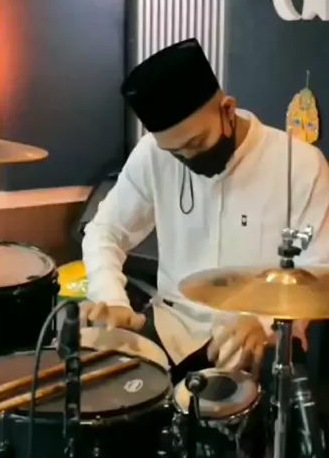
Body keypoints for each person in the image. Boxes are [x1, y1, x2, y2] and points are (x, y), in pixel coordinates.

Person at [82, 38, 329, 383]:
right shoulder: (152, 154)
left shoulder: (300, 165)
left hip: (261, 335)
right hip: (174, 326)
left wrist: (264, 323)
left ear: (227, 110)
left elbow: (320, 270)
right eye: (176, 153)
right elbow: (104, 231)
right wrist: (112, 300)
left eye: (196, 143)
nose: (188, 158)